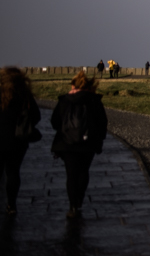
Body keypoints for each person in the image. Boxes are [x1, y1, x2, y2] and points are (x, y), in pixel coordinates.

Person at [51, 70, 108, 219]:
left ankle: (72, 206)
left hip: (67, 143)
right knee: (84, 172)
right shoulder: (94, 100)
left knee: (71, 175)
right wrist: (99, 139)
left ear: (72, 85)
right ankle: (80, 199)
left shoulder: (64, 100)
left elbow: (54, 122)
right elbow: (102, 122)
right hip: (88, 143)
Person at [0, 66, 41, 216]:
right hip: (17, 140)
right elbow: (36, 115)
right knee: (13, 172)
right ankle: (11, 204)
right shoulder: (24, 95)